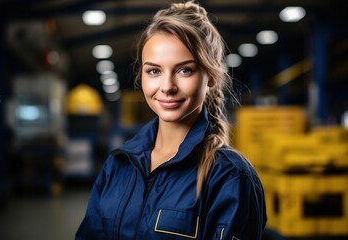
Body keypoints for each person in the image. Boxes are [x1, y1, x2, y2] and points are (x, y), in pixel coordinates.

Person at [75, 1, 266, 239]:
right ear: (142, 75)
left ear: (211, 78)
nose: (167, 87)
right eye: (154, 71)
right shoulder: (118, 165)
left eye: (185, 70)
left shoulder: (230, 178)